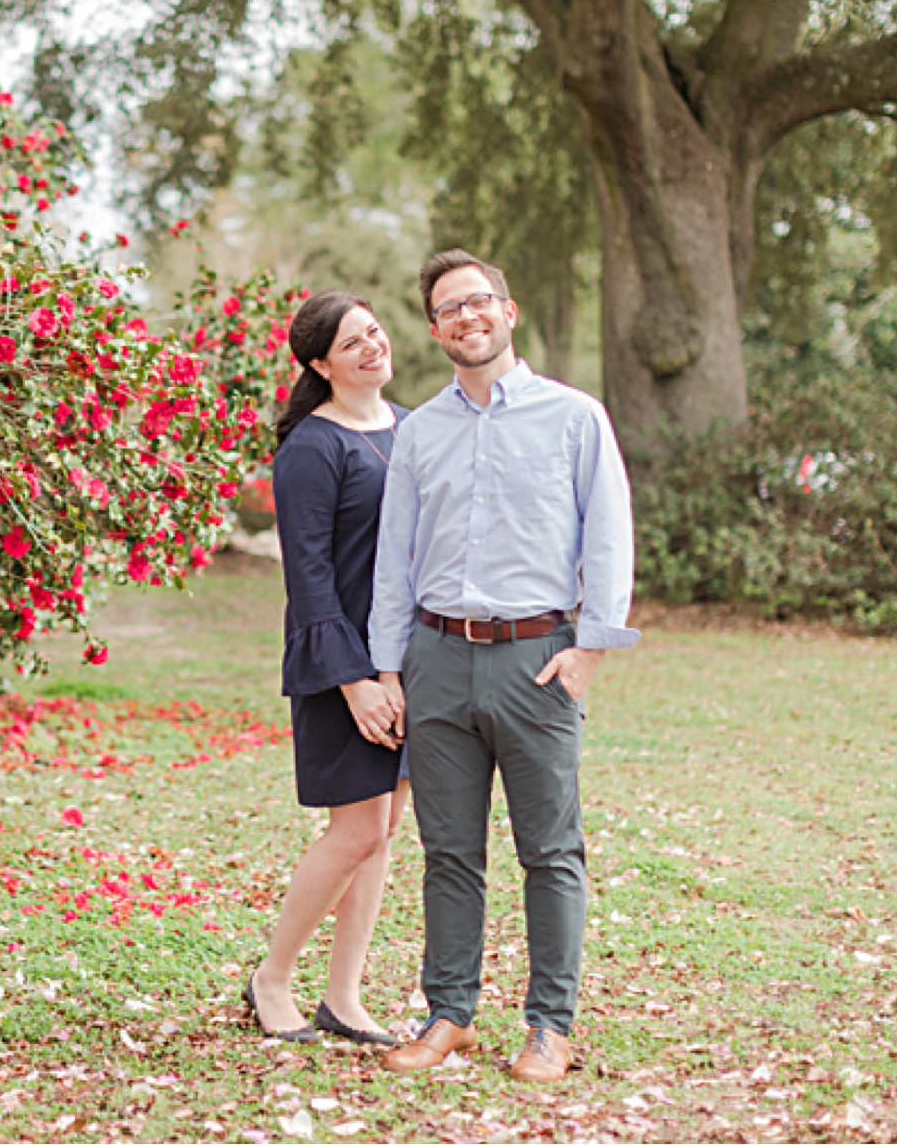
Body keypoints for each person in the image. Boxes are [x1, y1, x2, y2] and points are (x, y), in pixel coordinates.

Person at [369, 249, 639, 1084]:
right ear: (435, 328)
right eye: (449, 308)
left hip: (538, 660)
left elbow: (609, 533)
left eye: (478, 301)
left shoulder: (573, 416)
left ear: (508, 312)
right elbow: (394, 558)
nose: (466, 317)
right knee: (449, 852)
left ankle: (550, 1026)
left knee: (550, 851)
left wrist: (592, 647)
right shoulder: (419, 431)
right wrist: (388, 668)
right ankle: (448, 1015)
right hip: (438, 659)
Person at [243, 291, 412, 1048]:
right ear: (319, 364)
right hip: (342, 667)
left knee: (382, 831)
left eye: (373, 333)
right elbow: (308, 578)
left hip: (403, 664)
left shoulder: (408, 425)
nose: (371, 348)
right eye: (351, 343)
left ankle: (344, 997)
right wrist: (356, 682)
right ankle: (271, 979)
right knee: (354, 832)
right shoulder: (313, 448)